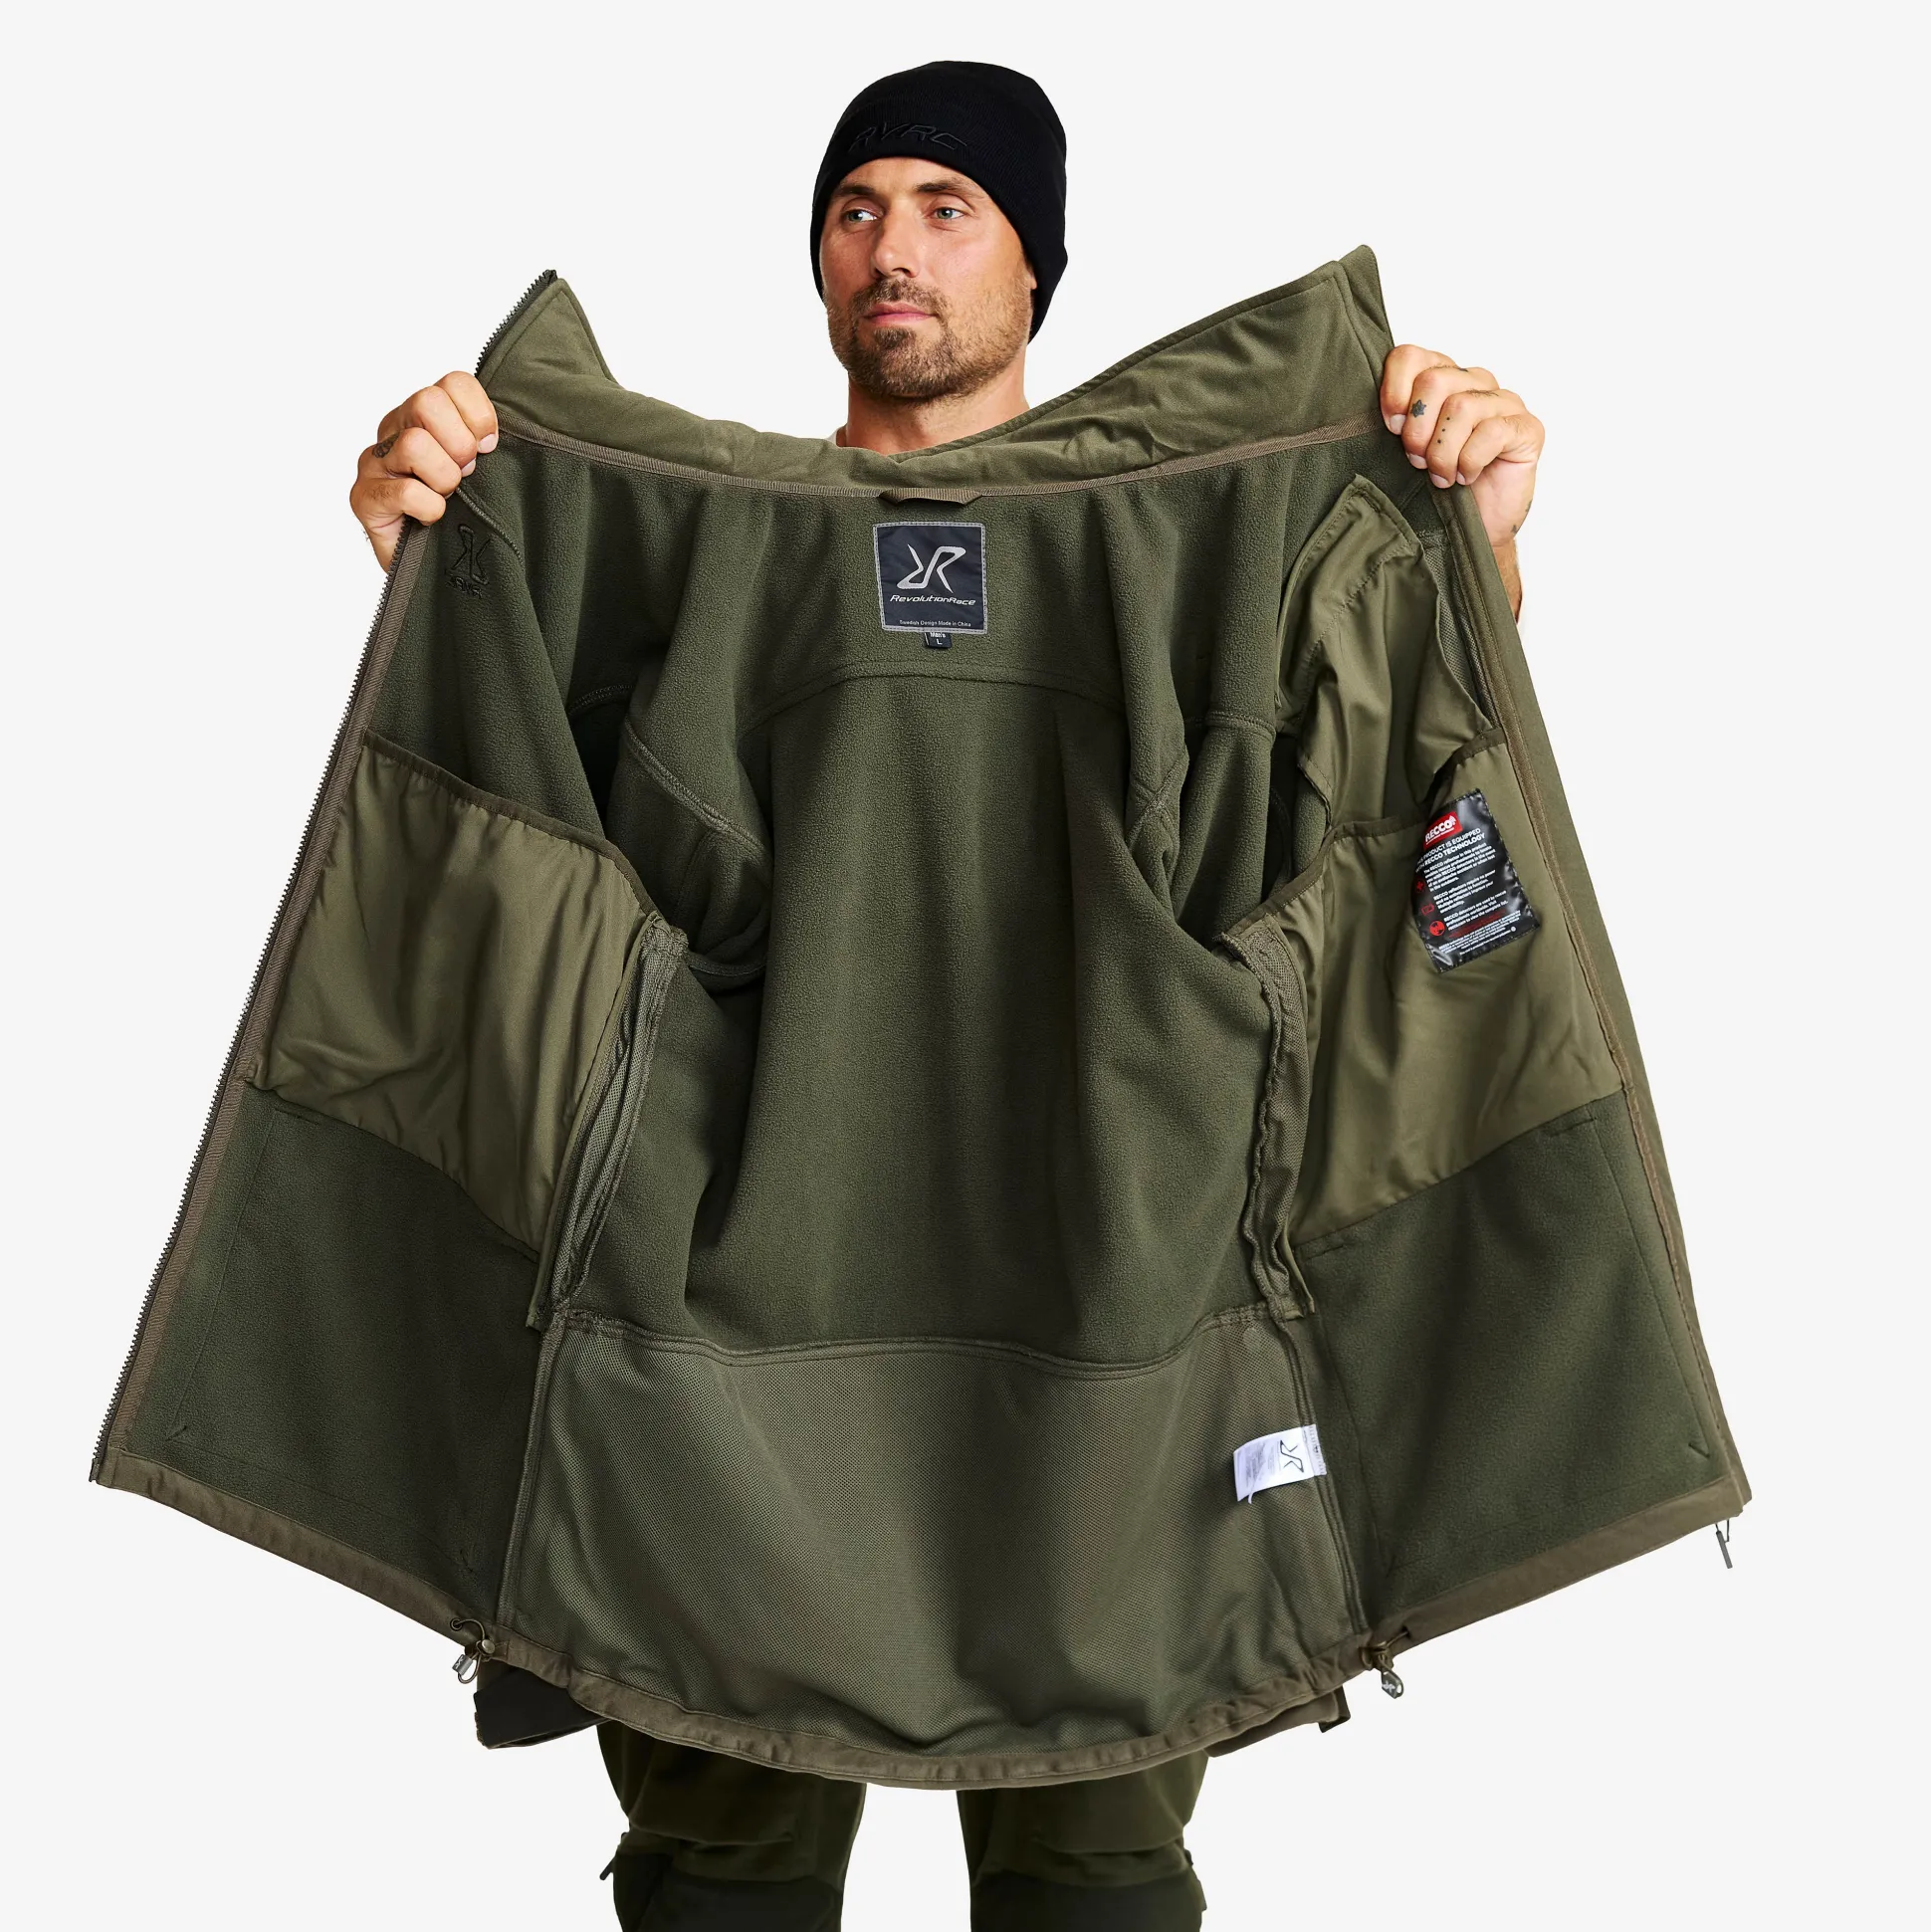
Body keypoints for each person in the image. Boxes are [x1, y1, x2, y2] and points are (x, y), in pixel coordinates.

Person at [346, 59, 1545, 1932]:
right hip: (741, 1341)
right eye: (854, 207)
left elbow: (1355, 772)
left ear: (1035, 262)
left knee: (1099, 1868)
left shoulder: (1178, 550)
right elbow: (530, 818)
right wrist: (438, 548)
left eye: (945, 206)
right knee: (721, 1869)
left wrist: (1470, 544)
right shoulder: (701, 550)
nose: (888, 247)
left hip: (1110, 1316)